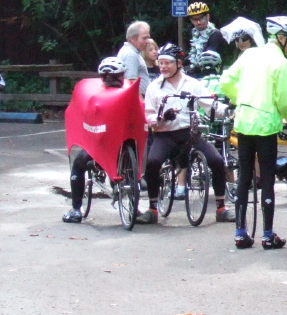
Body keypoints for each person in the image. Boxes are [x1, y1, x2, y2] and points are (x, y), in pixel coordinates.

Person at [220, 16, 287, 250]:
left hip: (244, 121)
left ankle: (240, 233)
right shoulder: (280, 63)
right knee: (266, 177)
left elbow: (225, 81)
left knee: (244, 175)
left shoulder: (250, 54)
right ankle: (267, 234)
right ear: (281, 37)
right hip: (266, 125)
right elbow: (285, 100)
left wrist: (240, 99)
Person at [134, 44, 237, 225]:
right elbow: (148, 116)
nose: (163, 67)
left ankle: (221, 208)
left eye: (168, 63)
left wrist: (229, 110)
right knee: (152, 163)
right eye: (161, 63)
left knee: (216, 160)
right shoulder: (154, 87)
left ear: (179, 64)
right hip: (164, 135)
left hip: (190, 134)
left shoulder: (193, 84)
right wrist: (162, 118)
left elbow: (210, 105)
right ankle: (152, 209)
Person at [62, 57, 128, 223]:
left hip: (100, 145)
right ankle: (127, 199)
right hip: (125, 145)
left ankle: (76, 209)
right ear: (122, 76)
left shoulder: (94, 95)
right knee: (124, 164)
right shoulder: (130, 92)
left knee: (78, 164)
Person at [186, 1, 226, 78]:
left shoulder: (215, 34)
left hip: (212, 76)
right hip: (197, 75)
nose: (198, 22)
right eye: (195, 19)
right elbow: (193, 55)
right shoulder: (194, 33)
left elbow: (207, 58)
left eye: (201, 18)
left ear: (207, 17)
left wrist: (190, 69)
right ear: (191, 20)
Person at [116, 20, 151, 96]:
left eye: (148, 38)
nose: (147, 41)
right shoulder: (130, 55)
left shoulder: (132, 52)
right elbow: (131, 83)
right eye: (144, 38)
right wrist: (142, 104)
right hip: (138, 99)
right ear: (132, 39)